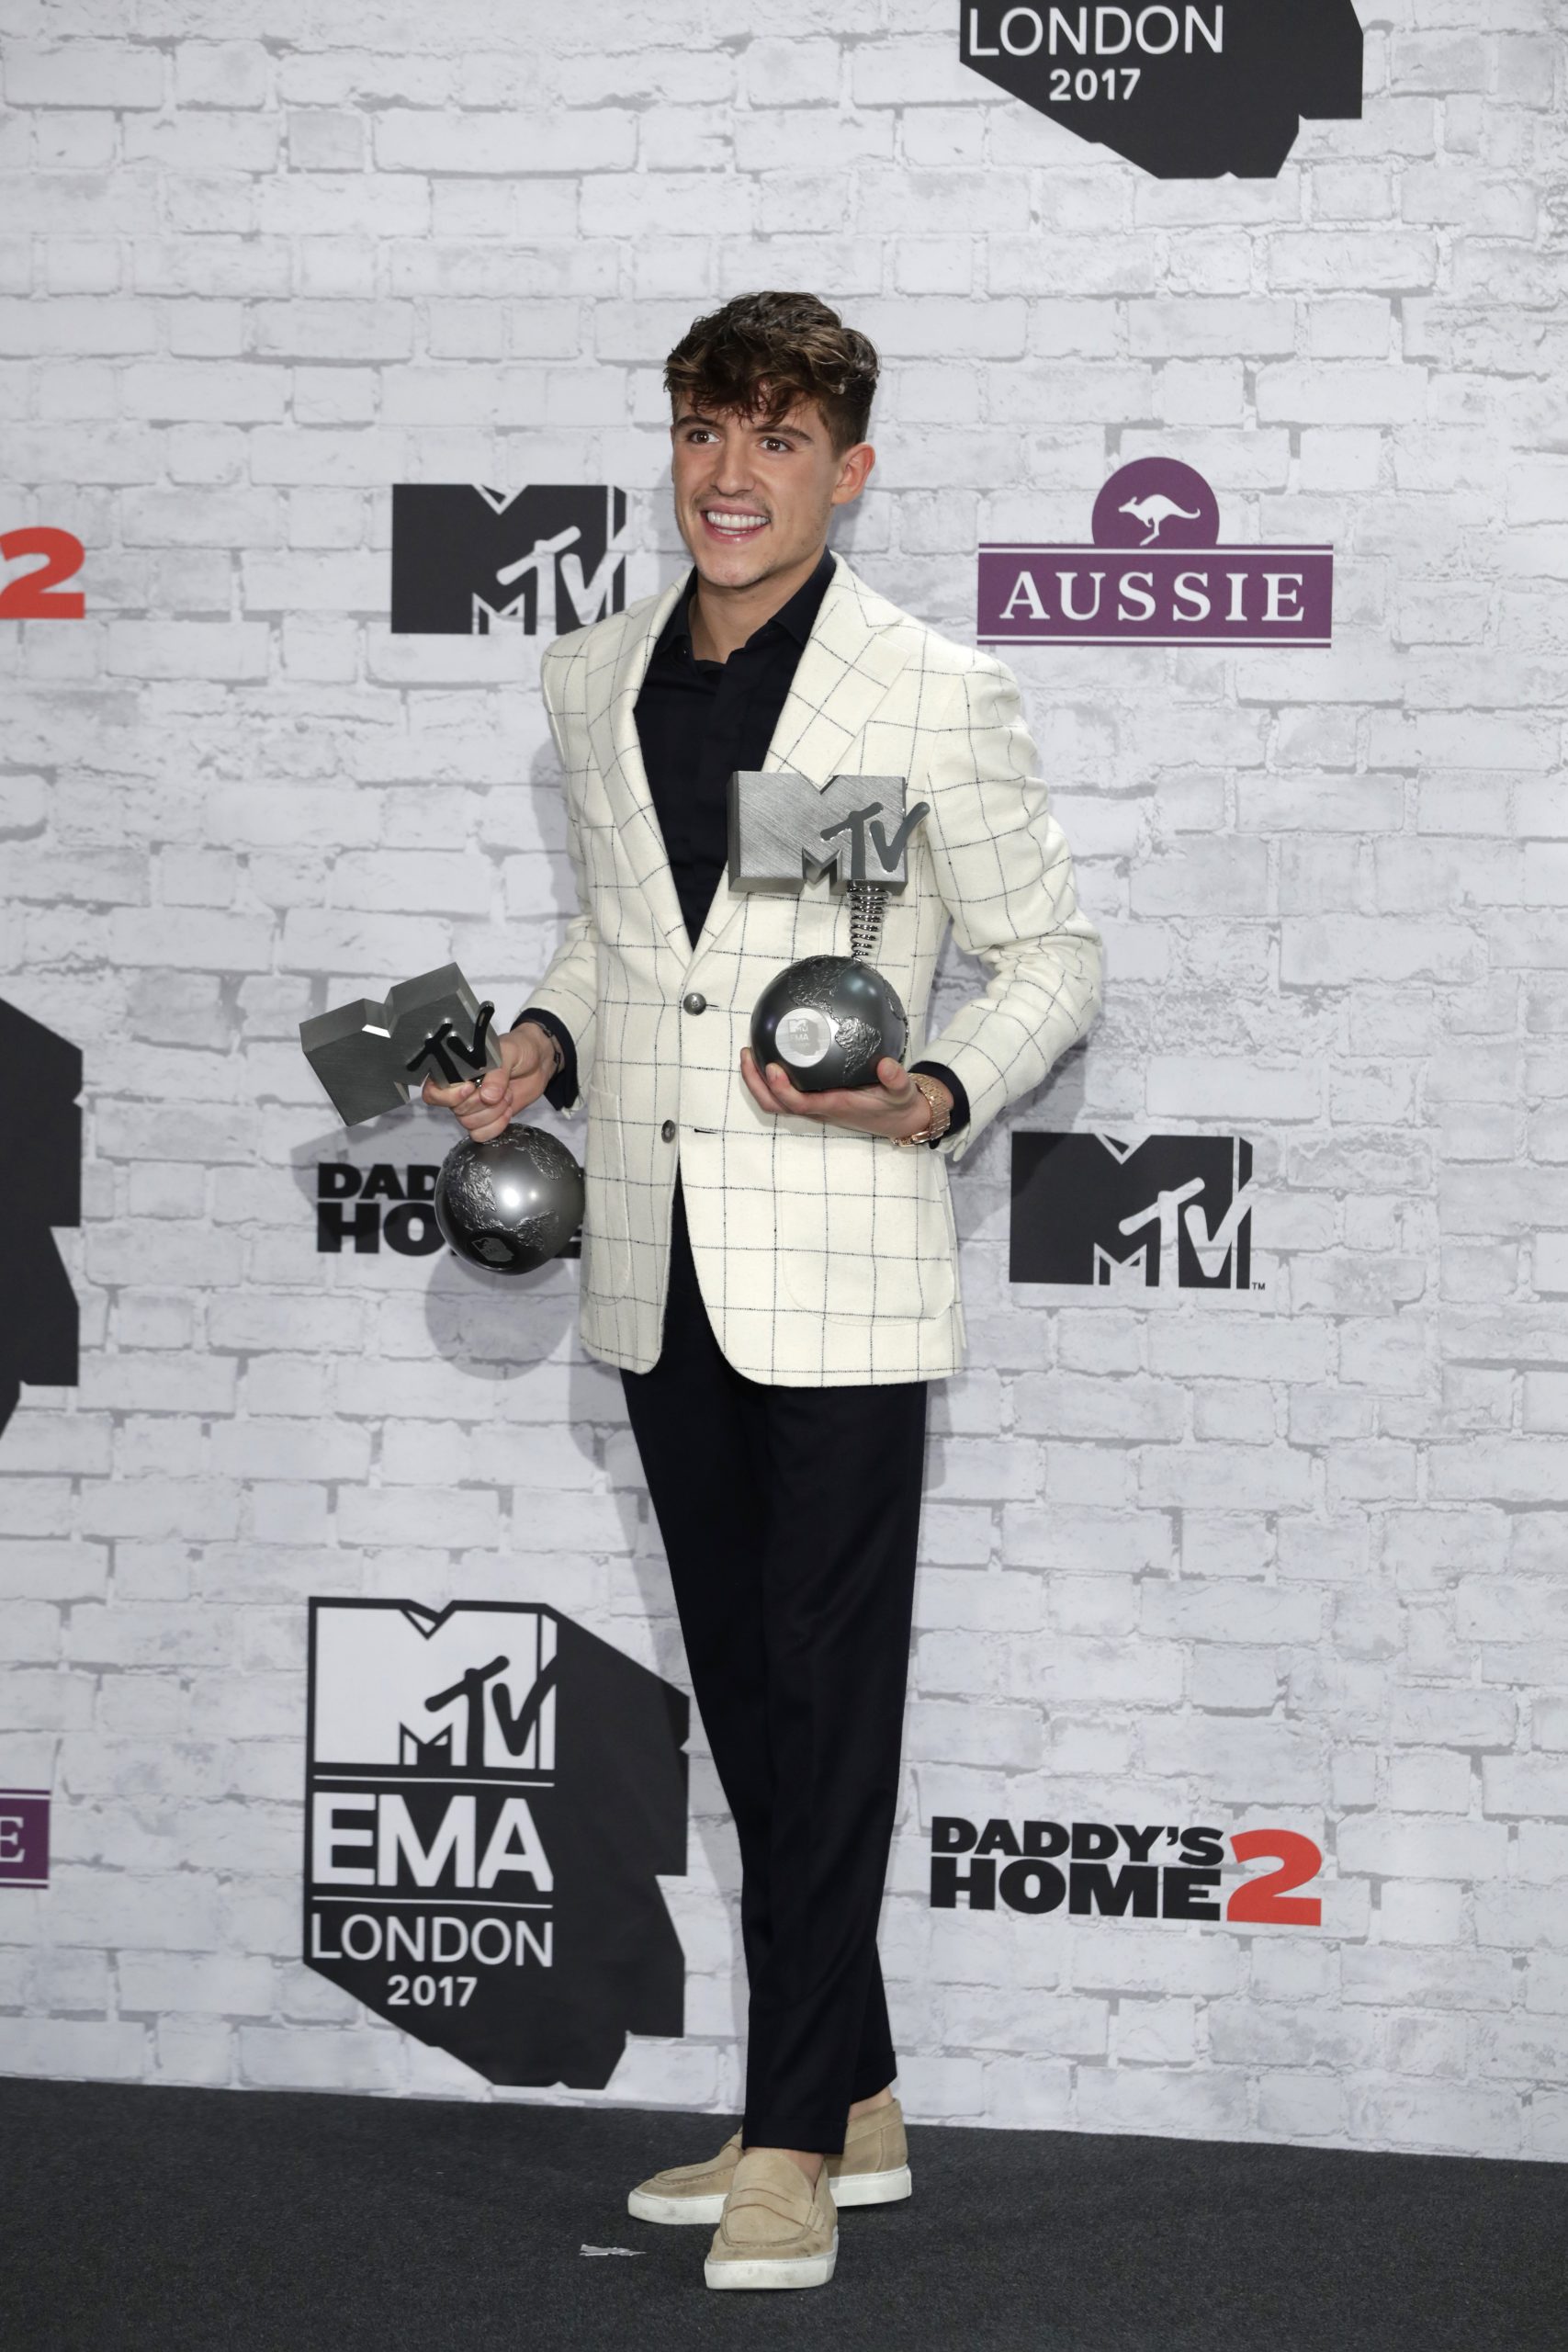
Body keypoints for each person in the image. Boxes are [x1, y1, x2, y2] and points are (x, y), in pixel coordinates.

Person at [425, 290, 1102, 2291]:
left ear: (847, 469)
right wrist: (540, 1041)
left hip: (842, 1262)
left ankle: (792, 2136)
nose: (732, 476)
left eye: (779, 440)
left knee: (826, 1696)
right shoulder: (591, 672)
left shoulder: (929, 689)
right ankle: (856, 2086)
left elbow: (1052, 957)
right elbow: (617, 933)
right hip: (654, 1261)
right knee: (747, 1696)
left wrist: (941, 1087)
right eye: (705, 432)